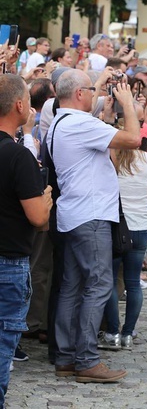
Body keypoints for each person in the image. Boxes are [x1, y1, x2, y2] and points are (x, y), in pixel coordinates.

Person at [48, 70, 140, 383]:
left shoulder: (60, 120)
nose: (95, 94)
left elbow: (91, 103)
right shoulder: (79, 123)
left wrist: (98, 83)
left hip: (74, 214)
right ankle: (86, 360)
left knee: (72, 287)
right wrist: (128, 104)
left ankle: (66, 357)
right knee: (99, 284)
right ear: (78, 95)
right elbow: (134, 139)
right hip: (91, 215)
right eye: (91, 89)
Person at [0, 74, 53, 406]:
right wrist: (45, 197)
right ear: (19, 105)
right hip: (8, 263)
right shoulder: (18, 155)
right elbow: (38, 217)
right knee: (3, 344)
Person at [100, 147, 147, 351]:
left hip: (117, 227)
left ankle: (112, 332)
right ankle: (128, 333)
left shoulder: (111, 159)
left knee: (109, 281)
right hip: (140, 227)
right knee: (133, 283)